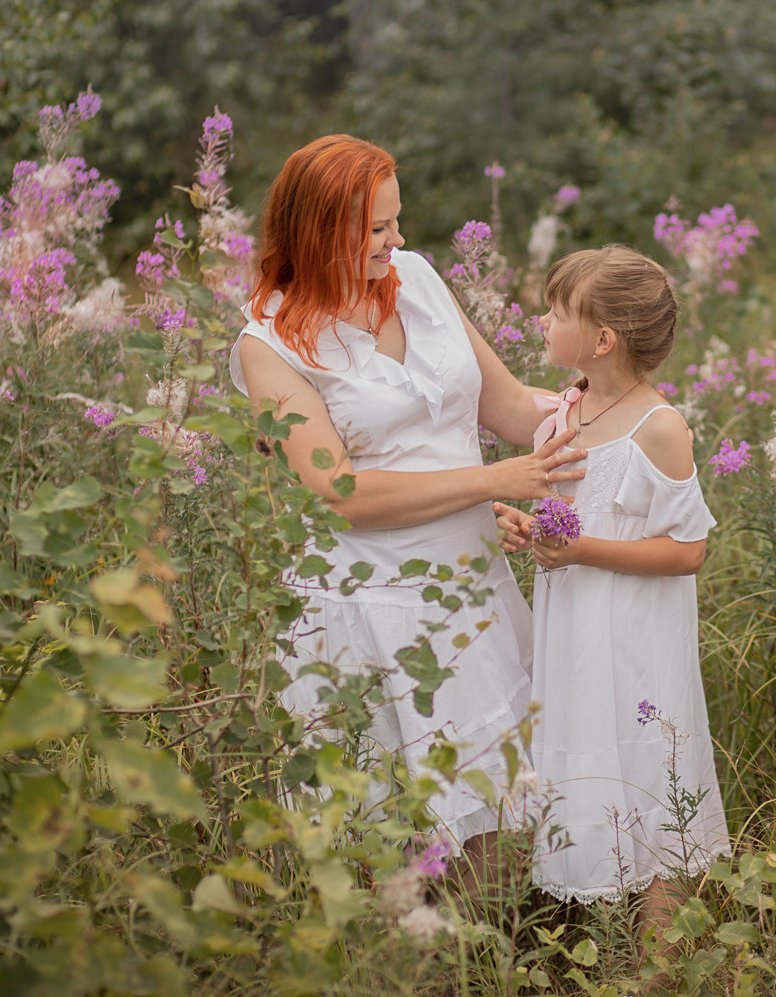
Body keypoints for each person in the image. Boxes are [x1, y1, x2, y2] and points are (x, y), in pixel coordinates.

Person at [231, 134, 583, 867]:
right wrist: (492, 483)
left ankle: (482, 943)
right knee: (392, 839)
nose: (398, 239)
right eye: (377, 228)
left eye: (397, 221)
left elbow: (509, 407)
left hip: (468, 582)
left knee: (496, 828)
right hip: (368, 603)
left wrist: (615, 412)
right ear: (318, 232)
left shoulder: (416, 278)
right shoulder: (268, 345)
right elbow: (338, 492)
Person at [493, 245, 730, 929]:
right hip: (574, 634)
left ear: (602, 340)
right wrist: (529, 530)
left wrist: (580, 550)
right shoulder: (563, 416)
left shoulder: (660, 428)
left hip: (638, 640)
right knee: (587, 760)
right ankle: (598, 938)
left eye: (556, 311)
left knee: (650, 770)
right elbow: (563, 523)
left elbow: (688, 550)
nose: (541, 321)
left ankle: (658, 965)